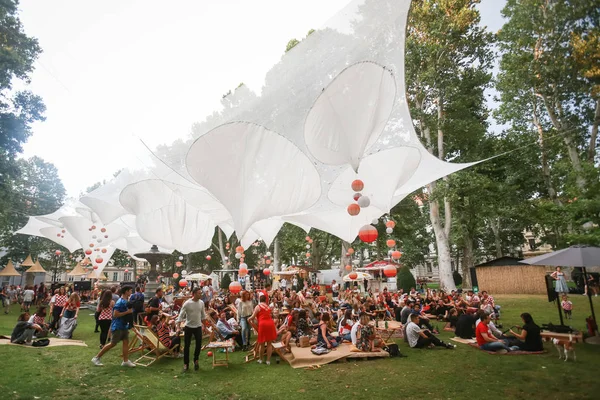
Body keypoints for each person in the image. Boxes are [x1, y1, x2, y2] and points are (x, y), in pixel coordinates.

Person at [91, 286, 136, 367]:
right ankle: (96, 358)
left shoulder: (126, 301)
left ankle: (125, 361)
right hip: (118, 326)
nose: (131, 292)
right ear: (126, 292)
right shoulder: (120, 302)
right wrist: (127, 312)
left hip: (124, 325)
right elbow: (115, 314)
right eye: (130, 291)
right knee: (113, 343)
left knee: (126, 342)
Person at [176, 287, 207, 372]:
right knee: (187, 346)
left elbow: (203, 315)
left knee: (198, 345)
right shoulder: (187, 303)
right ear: (194, 294)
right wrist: (178, 327)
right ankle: (186, 364)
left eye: (201, 293)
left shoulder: (201, 303)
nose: (200, 294)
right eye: (199, 293)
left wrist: (205, 326)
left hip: (198, 327)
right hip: (188, 327)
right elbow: (180, 316)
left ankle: (196, 360)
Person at [249, 293, 277, 365]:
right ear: (265, 300)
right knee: (269, 343)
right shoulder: (267, 307)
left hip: (263, 324)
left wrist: (248, 319)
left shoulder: (258, 306)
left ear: (259, 300)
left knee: (261, 343)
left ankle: (261, 359)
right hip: (270, 324)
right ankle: (268, 360)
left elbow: (253, 317)